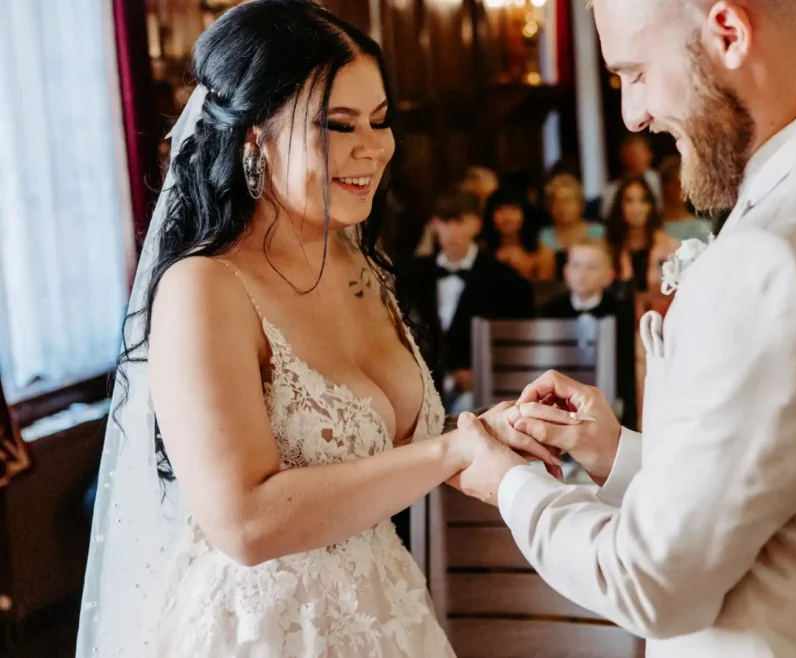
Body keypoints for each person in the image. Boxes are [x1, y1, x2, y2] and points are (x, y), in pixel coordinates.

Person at [452, 0, 796, 656]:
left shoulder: (772, 260)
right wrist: (617, 455)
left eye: (636, 72)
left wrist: (508, 483)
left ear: (729, 33)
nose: (632, 113)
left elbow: (651, 582)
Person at [76, 3, 557, 656]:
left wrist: (487, 433)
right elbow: (244, 522)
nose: (372, 148)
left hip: (384, 608)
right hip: (264, 630)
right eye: (337, 124)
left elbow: (377, 455)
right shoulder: (206, 288)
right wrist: (448, 453)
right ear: (253, 136)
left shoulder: (357, 260)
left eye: (380, 121)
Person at [406, 188, 535, 414]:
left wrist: (483, 372)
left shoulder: (507, 280)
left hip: (484, 393)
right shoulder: (412, 275)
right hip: (418, 389)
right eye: (445, 223)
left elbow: (521, 340)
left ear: (477, 224)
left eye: (460, 222)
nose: (452, 232)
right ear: (435, 225)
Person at [541, 240, 638, 430]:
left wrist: (629, 418)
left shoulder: (620, 312)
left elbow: (626, 367)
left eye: (591, 267)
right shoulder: (550, 310)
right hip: (561, 396)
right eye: (576, 265)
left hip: (607, 397)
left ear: (608, 276)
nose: (582, 274)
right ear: (566, 272)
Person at [604, 175, 677, 293]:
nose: (636, 208)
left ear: (650, 206)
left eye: (643, 200)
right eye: (629, 201)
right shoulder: (607, 248)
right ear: (620, 206)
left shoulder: (671, 247)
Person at [480, 186, 555, 281]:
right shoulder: (481, 251)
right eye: (500, 210)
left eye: (513, 209)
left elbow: (546, 293)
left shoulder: (542, 253)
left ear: (525, 213)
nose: (507, 217)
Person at [539, 173, 605, 279]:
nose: (563, 207)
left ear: (580, 204)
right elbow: (545, 278)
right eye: (558, 201)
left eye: (568, 201)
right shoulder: (547, 235)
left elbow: (601, 270)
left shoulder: (596, 231)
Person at [598, 133, 663, 219]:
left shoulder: (663, 183)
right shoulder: (612, 190)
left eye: (636, 155)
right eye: (627, 156)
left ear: (649, 154)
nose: (632, 160)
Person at [656, 154, 713, 242]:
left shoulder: (702, 229)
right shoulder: (650, 225)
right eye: (673, 181)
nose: (679, 187)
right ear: (663, 186)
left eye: (683, 182)